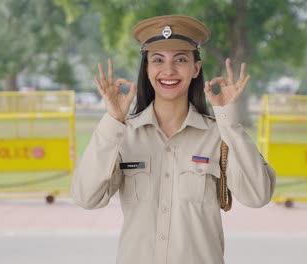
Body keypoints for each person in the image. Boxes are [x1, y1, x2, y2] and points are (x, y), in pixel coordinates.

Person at [71, 15, 276, 264]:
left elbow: (258, 195)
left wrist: (228, 120)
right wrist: (113, 119)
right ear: (147, 69)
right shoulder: (123, 135)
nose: (168, 70)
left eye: (180, 59)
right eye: (158, 60)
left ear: (195, 68)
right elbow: (86, 197)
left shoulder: (217, 136)